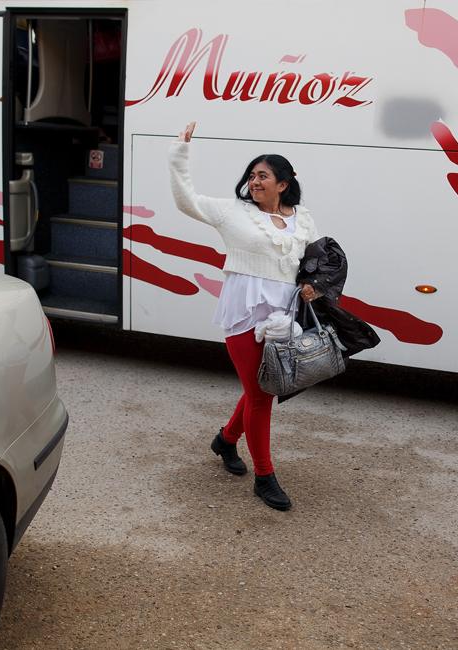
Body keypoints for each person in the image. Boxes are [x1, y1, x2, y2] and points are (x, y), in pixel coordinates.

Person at [168, 121, 320, 511]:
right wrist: (181, 153)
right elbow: (186, 200)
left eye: (263, 176)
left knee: (263, 386)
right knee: (261, 394)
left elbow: (315, 263)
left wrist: (313, 286)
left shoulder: (303, 219)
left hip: (284, 316)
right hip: (244, 312)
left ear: (283, 183)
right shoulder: (231, 211)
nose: (255, 181)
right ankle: (265, 476)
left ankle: (226, 440)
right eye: (252, 175)